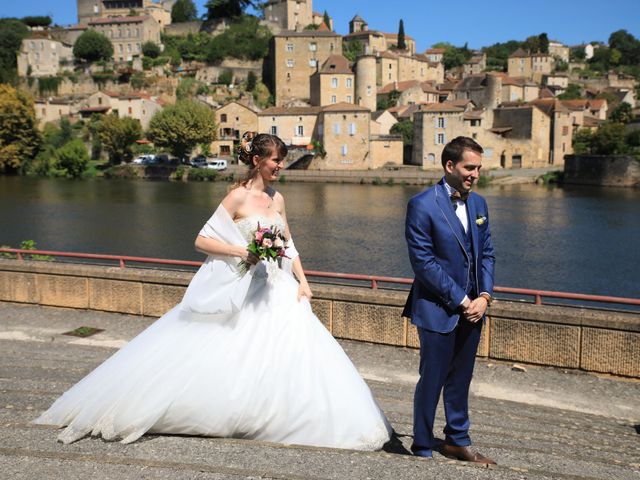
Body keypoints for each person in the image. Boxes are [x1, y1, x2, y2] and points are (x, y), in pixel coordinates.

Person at [35, 132, 392, 450]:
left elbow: (288, 242)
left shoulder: (277, 198)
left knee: (293, 353)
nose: (280, 166)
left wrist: (303, 280)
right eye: (276, 160)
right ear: (257, 161)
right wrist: (243, 251)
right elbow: (201, 240)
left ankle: (283, 412)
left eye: (281, 160)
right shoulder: (236, 198)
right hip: (247, 285)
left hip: (279, 286)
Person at [403, 136, 496, 464]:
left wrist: (484, 296)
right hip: (436, 308)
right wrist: (461, 300)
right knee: (433, 377)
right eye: (469, 167)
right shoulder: (422, 204)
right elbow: (423, 263)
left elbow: (486, 253)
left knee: (462, 377)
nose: (475, 174)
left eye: (479, 168)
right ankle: (423, 445)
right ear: (450, 166)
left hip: (475, 309)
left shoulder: (479, 205)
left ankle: (458, 440)